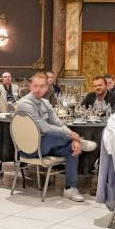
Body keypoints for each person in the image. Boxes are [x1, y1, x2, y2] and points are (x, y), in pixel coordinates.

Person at [15, 73, 98, 201]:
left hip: (46, 145)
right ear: (30, 86)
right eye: (35, 86)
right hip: (30, 148)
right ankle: (81, 142)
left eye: (42, 86)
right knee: (53, 134)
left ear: (46, 88)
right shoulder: (24, 103)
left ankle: (70, 188)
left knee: (72, 149)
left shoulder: (45, 103)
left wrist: (73, 139)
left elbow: (58, 123)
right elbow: (44, 128)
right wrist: (74, 136)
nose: (38, 89)